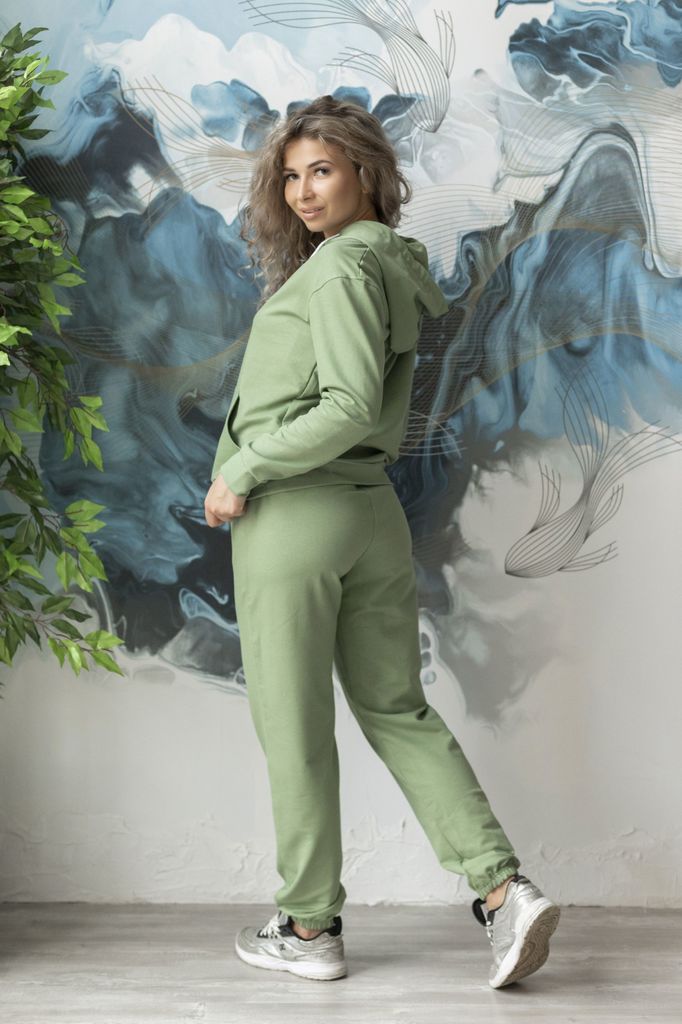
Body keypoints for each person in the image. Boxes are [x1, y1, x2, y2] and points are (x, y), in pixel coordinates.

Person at [204, 95, 560, 988]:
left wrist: (243, 467)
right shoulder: (386, 264)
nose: (303, 191)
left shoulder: (338, 270)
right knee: (397, 710)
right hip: (369, 513)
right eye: (292, 175)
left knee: (294, 724)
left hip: (296, 514)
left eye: (321, 170)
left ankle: (308, 926)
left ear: (366, 172)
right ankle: (502, 892)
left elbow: (351, 405)